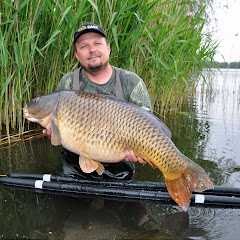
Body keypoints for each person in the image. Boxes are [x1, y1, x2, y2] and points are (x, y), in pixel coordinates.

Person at [44, 22, 153, 180]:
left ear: (108, 47)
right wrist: (55, 134)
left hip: (119, 171)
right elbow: (58, 135)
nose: (92, 50)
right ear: (76, 55)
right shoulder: (68, 83)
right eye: (84, 46)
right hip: (73, 171)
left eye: (97, 43)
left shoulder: (131, 82)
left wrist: (141, 152)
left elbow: (148, 129)